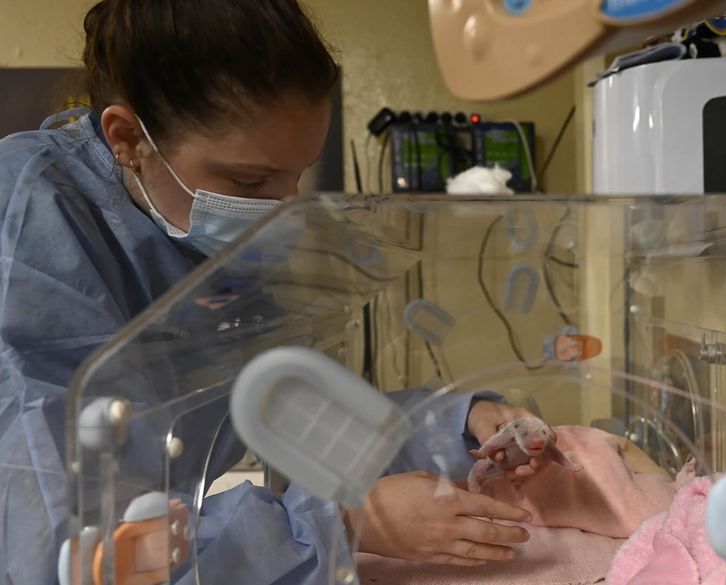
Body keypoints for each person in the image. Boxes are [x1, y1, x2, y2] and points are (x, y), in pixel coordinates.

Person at [0, 2, 552, 584]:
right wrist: (344, 521)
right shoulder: (27, 227)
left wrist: (457, 424)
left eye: (298, 175)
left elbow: (293, 410)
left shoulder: (201, 234)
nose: (282, 210)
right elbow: (53, 553)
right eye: (249, 181)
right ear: (128, 138)